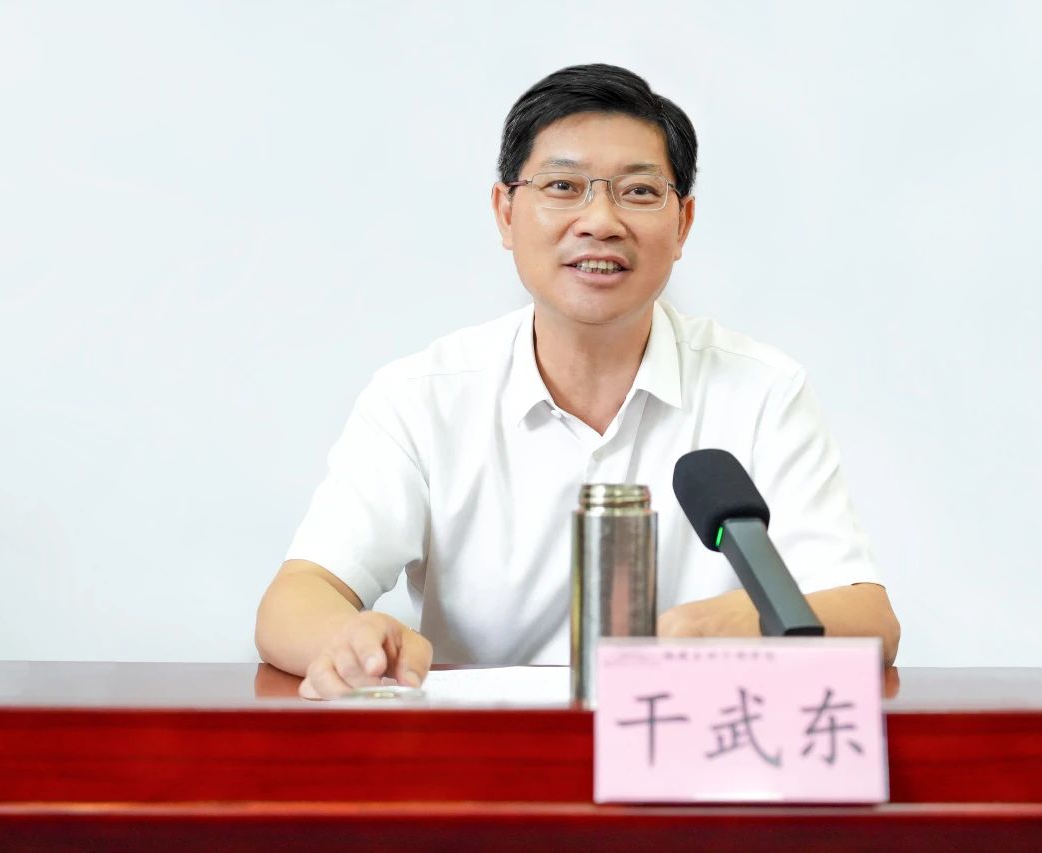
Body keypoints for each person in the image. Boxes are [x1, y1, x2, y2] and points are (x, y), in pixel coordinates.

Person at [255, 64, 900, 700]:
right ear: (505, 212)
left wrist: (731, 624)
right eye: (563, 186)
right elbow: (297, 598)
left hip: (683, 752)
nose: (600, 221)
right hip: (491, 755)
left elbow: (868, 618)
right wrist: (349, 640)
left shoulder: (761, 392)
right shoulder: (423, 397)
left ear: (683, 223)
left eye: (639, 192)